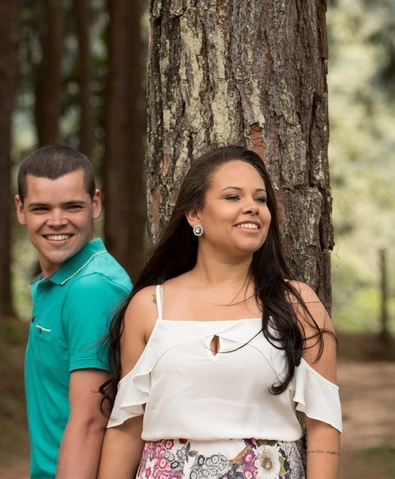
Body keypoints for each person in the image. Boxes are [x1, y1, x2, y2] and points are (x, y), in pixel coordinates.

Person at [96, 145, 342, 479]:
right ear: (194, 214)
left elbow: (324, 424)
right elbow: (126, 427)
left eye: (260, 199)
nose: (252, 208)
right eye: (232, 197)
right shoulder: (149, 307)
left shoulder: (298, 304)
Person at [16, 145, 133, 479]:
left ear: (95, 204)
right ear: (20, 209)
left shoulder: (92, 288)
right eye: (41, 208)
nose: (57, 221)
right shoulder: (61, 283)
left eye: (72, 207)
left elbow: (90, 422)